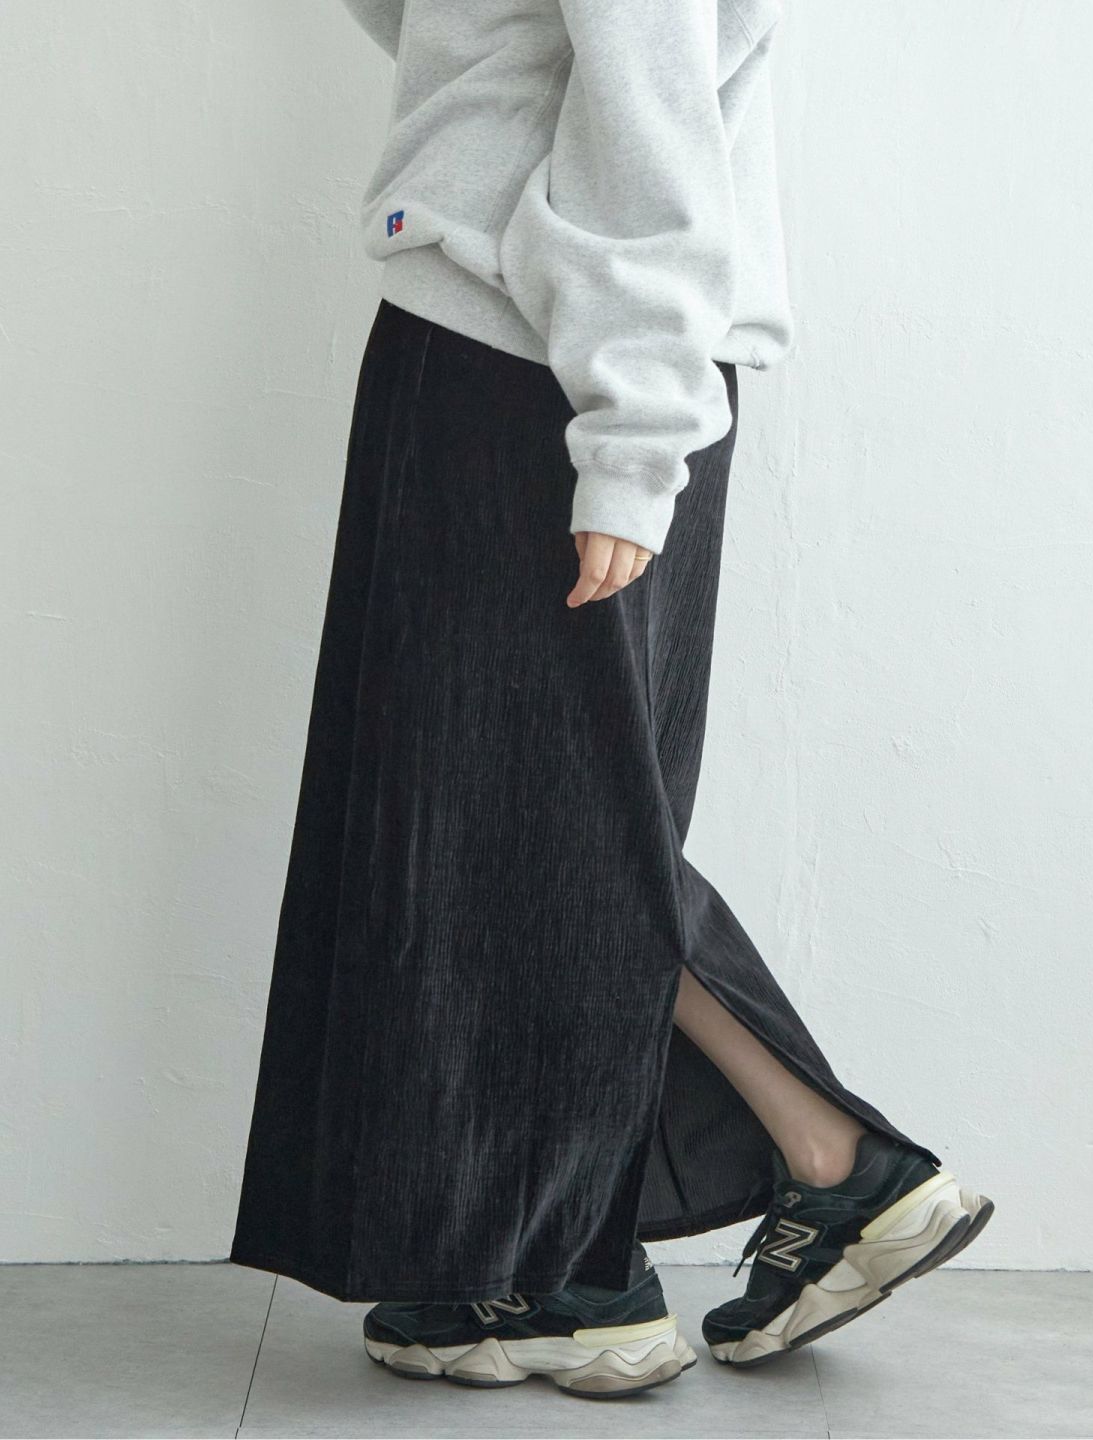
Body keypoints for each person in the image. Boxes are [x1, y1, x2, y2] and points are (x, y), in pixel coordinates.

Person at [229, 0, 993, 1399]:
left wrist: (634, 440)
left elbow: (647, 118)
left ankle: (593, 1268)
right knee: (533, 817)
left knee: (537, 821)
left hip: (545, 362)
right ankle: (772, 1186)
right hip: (539, 343)